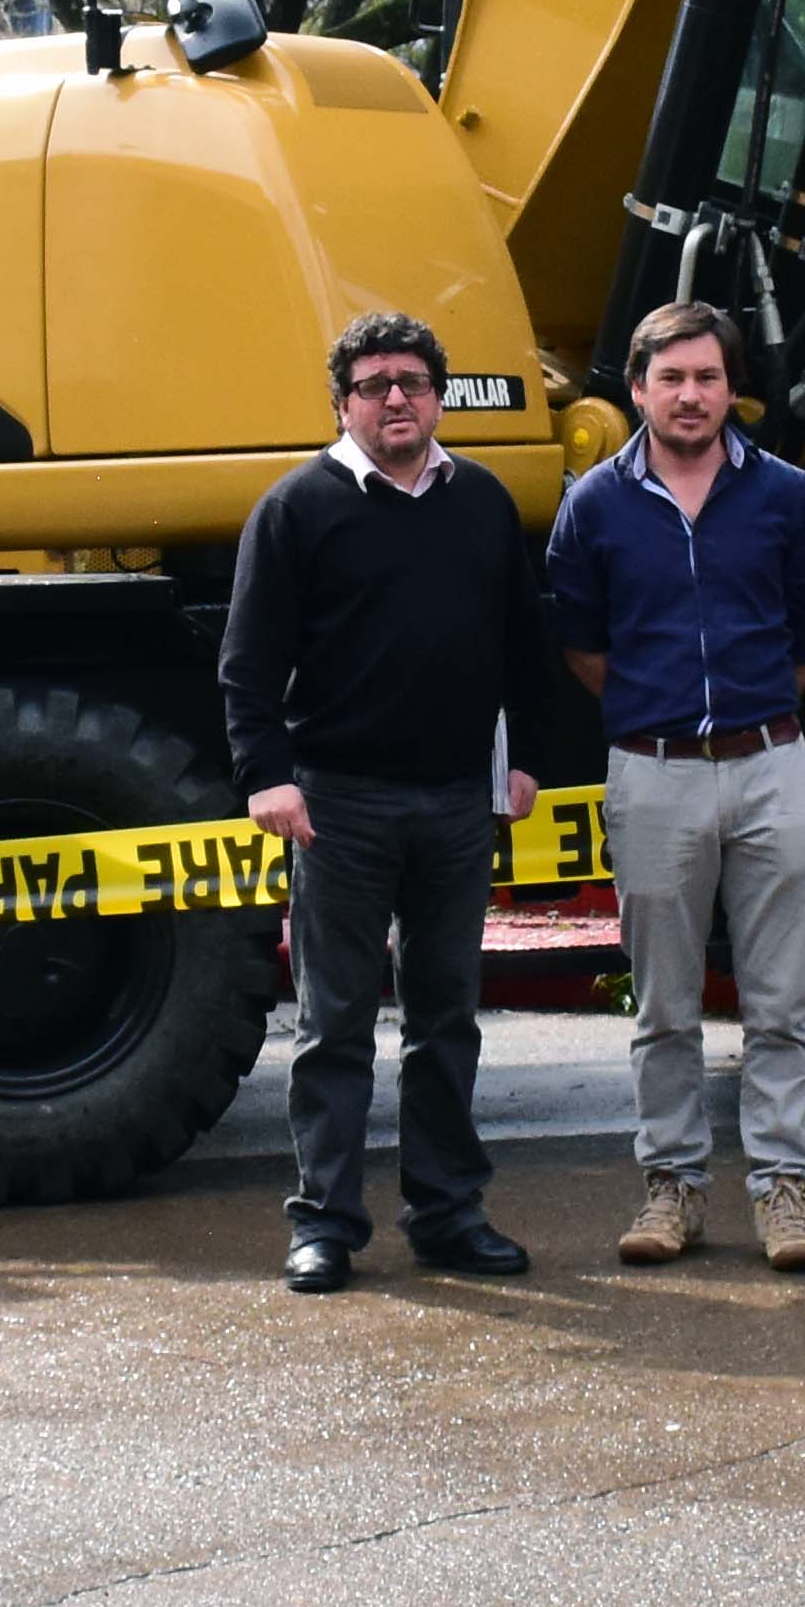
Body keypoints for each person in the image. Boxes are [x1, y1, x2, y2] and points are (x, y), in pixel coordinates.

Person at [226, 311, 580, 1296]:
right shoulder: (297, 508)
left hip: (458, 802)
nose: (395, 399)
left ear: (438, 395)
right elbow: (248, 664)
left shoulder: (481, 505)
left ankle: (448, 1213)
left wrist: (527, 762)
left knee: (446, 1018)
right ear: (342, 401)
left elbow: (525, 644)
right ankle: (327, 1225)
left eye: (413, 382)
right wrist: (268, 774)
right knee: (334, 1023)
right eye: (375, 383)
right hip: (338, 808)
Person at [547, 298, 805, 1274]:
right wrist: (663, 713)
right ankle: (672, 1184)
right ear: (636, 388)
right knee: (665, 1004)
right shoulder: (593, 503)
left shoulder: (785, 494)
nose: (689, 395)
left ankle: (784, 1189)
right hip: (655, 773)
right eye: (669, 377)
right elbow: (582, 645)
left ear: (732, 387)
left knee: (780, 1003)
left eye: (707, 377)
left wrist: (752, 718)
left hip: (771, 766)